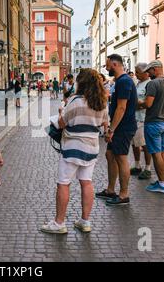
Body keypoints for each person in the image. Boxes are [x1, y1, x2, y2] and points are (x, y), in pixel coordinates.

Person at [40, 69, 108, 234]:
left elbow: (62, 123)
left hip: (73, 147)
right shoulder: (101, 102)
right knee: (86, 182)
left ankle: (59, 223)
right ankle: (85, 221)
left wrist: (60, 113)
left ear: (81, 83)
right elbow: (104, 124)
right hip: (91, 147)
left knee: (63, 183)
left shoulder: (75, 100)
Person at [96, 54, 137, 206]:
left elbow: (121, 107)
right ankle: (110, 190)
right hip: (120, 125)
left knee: (121, 158)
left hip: (123, 126)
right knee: (109, 154)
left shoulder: (124, 81)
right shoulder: (120, 81)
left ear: (114, 64)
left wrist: (111, 129)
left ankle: (124, 194)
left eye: (107, 65)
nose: (106, 68)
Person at [140, 60, 164, 194]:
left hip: (153, 122)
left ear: (156, 69)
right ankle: (163, 181)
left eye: (149, 71)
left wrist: (139, 103)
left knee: (156, 153)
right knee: (163, 152)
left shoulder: (153, 84)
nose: (148, 74)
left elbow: (148, 104)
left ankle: (162, 184)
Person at [130, 63, 153, 180]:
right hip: (135, 117)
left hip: (143, 118)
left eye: (138, 72)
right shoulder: (138, 83)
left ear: (145, 72)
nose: (136, 74)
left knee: (144, 144)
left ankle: (148, 168)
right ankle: (137, 165)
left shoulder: (149, 84)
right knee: (135, 143)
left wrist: (138, 104)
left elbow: (149, 103)